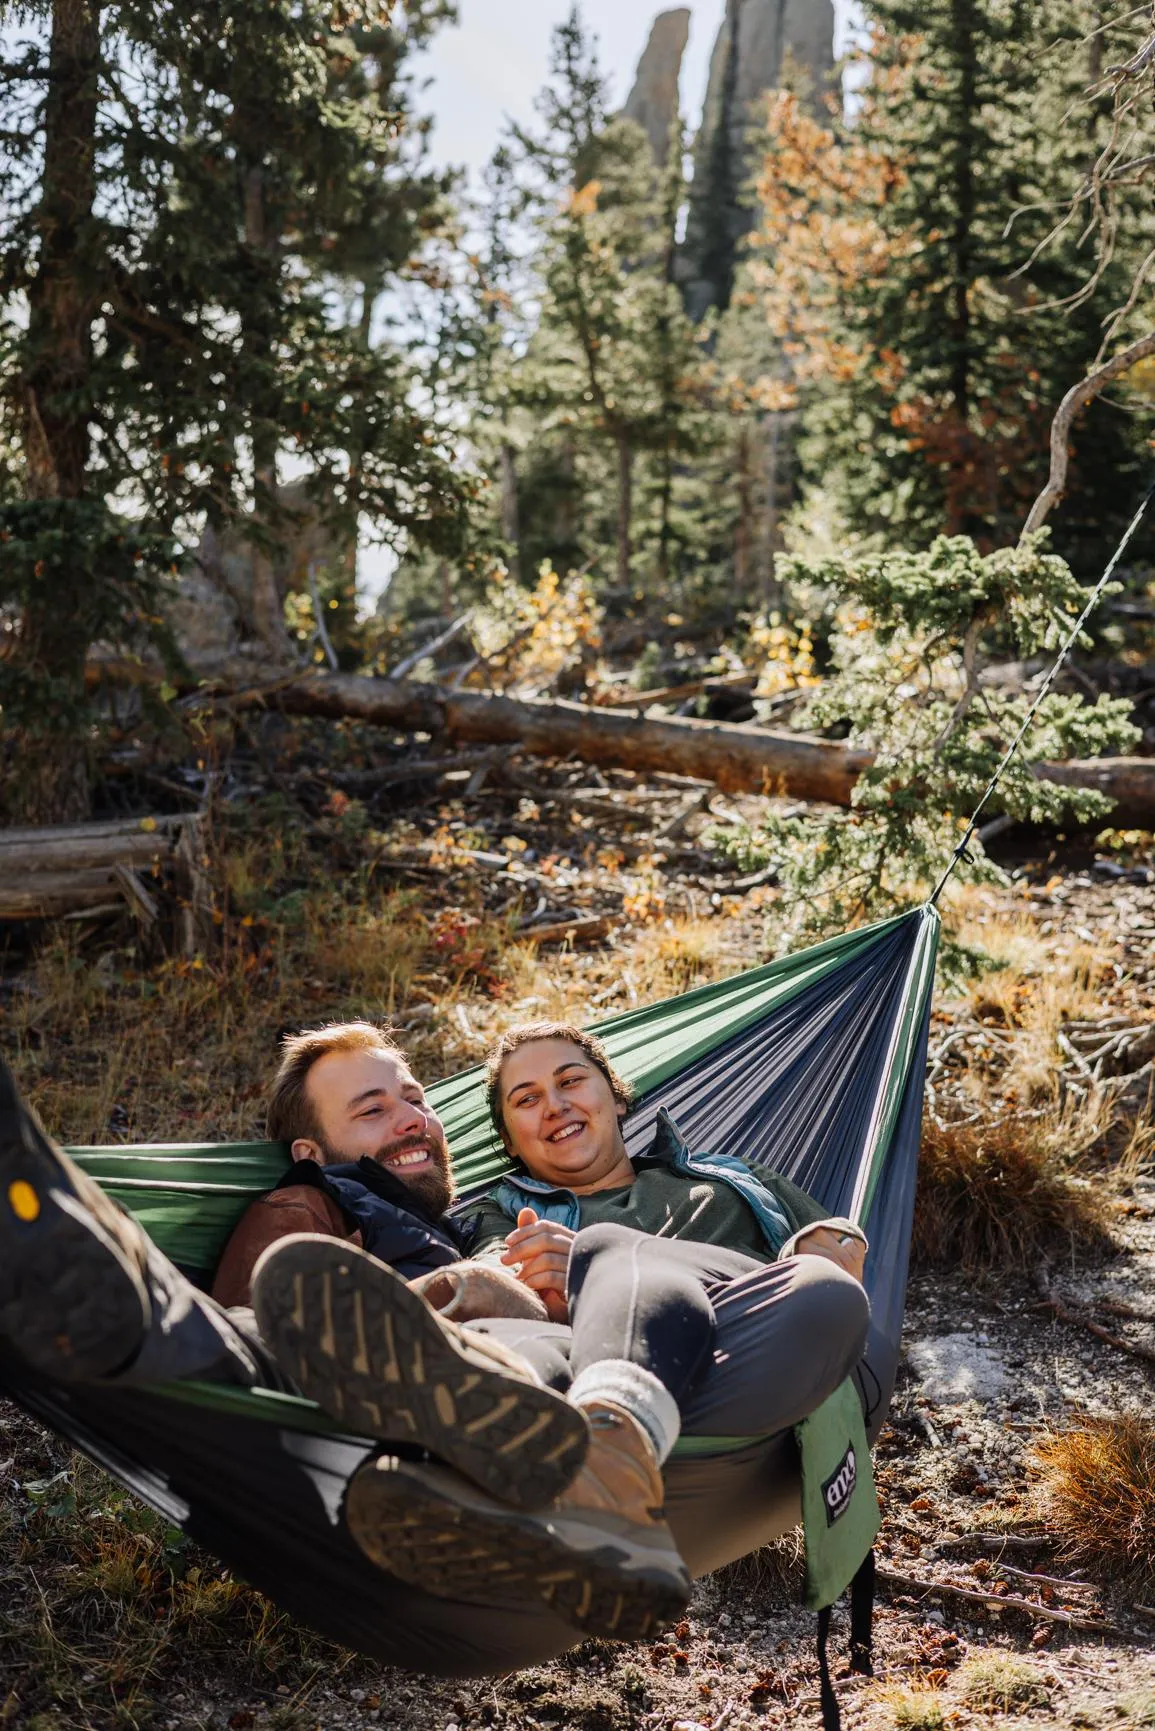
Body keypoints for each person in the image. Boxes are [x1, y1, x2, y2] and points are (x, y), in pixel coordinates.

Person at [272, 1022, 873, 1635]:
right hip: (652, 1393)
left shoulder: (731, 1179)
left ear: (616, 1096)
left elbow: (837, 1252)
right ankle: (561, 1463)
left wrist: (831, 1242)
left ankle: (550, 1460)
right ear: (509, 1139)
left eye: (570, 1081)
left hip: (750, 1337)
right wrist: (545, 1288)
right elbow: (507, 1298)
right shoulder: (496, 1216)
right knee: (608, 1260)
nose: (554, 1105)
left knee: (817, 1292)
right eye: (526, 1100)